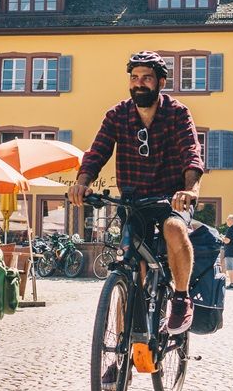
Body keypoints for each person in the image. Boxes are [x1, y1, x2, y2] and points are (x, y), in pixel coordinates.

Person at [70, 51, 204, 338]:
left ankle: (181, 298)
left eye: (146, 78)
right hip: (133, 200)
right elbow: (97, 153)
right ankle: (123, 349)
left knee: (173, 227)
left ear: (161, 82)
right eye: (134, 78)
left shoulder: (177, 113)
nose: (139, 83)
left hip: (170, 197)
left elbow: (191, 153)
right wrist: (82, 181)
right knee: (130, 271)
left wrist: (190, 189)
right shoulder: (117, 115)